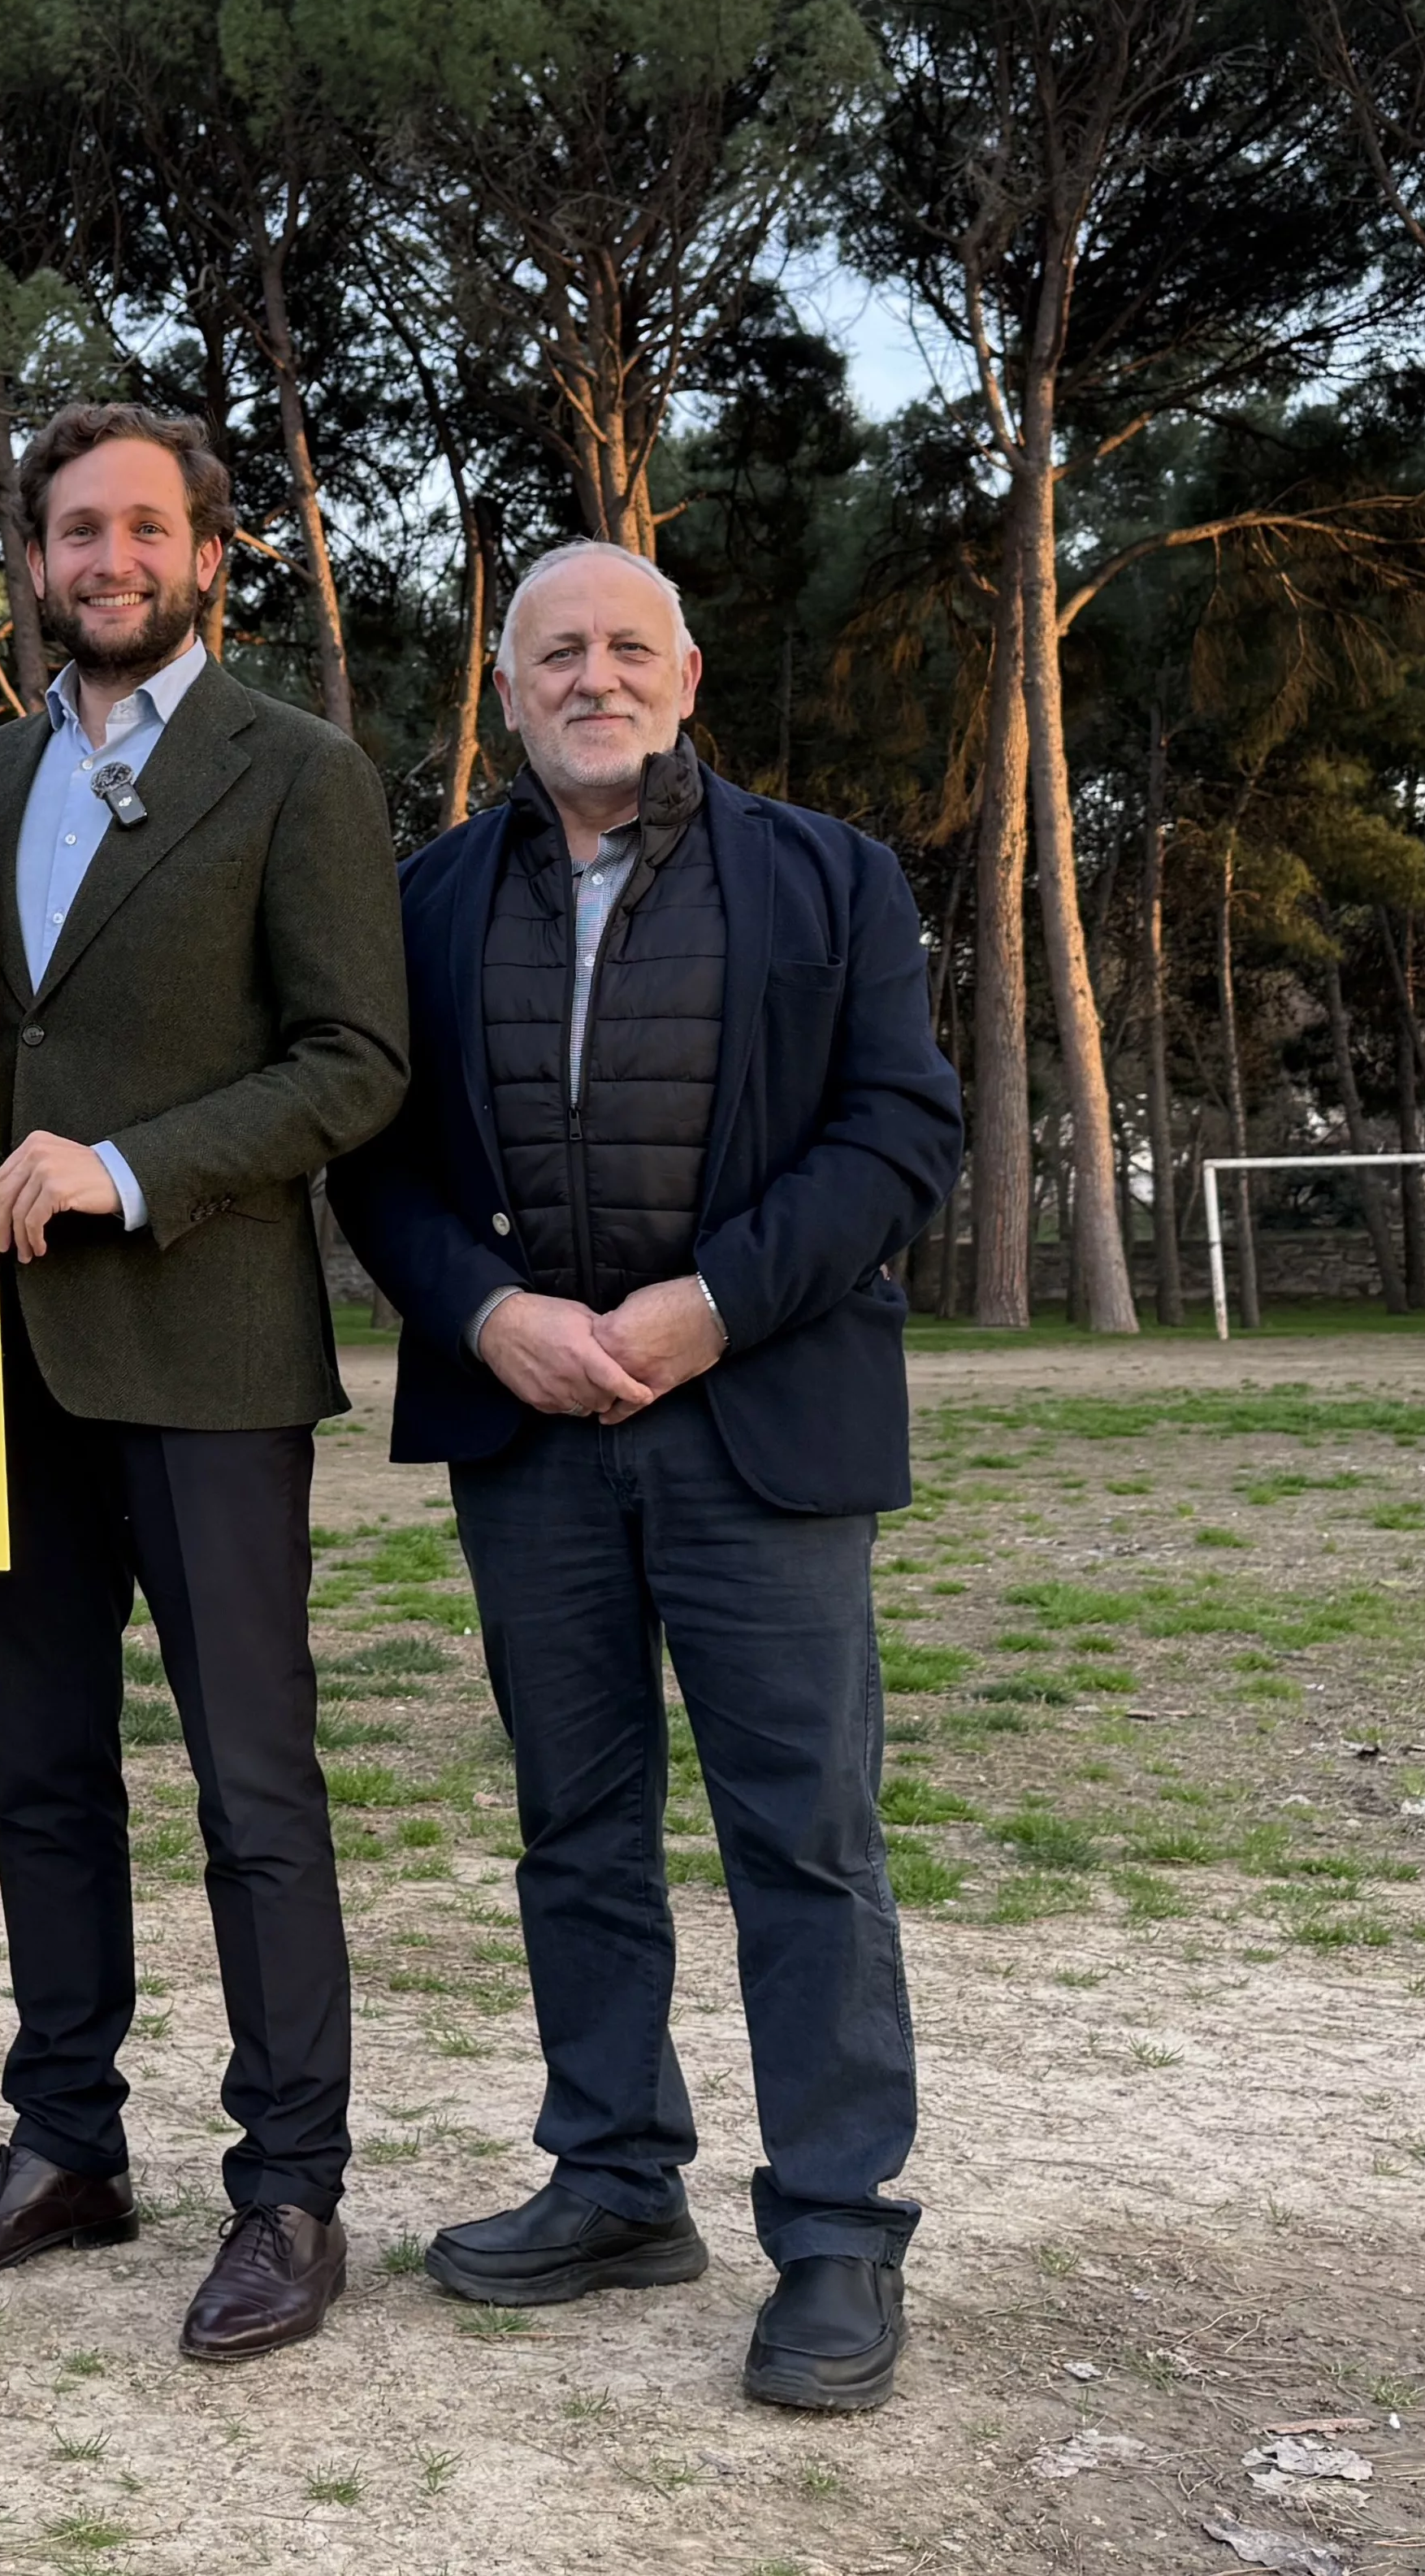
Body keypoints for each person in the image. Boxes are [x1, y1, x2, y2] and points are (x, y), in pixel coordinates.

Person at [327, 540, 962, 2415]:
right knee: (573, 1828)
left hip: (751, 1424)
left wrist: (707, 1304)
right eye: (552, 652)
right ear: (506, 690)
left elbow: (895, 1129)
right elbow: (369, 1160)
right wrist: (485, 1309)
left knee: (802, 1838)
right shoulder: (424, 896)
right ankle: (613, 2177)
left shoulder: (829, 878)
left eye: (624, 646)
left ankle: (835, 2230)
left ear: (683, 676)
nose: (590, 675)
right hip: (530, 1430)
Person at [0, 401, 408, 2366]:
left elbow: (354, 1058)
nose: (104, 557)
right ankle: (63, 2143)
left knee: (251, 1780)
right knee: (41, 1779)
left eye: (140, 527)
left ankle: (289, 2182)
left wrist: (129, 1164)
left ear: (205, 557)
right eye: (70, 527)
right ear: (30, 559)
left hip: (205, 1344)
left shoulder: (298, 772)